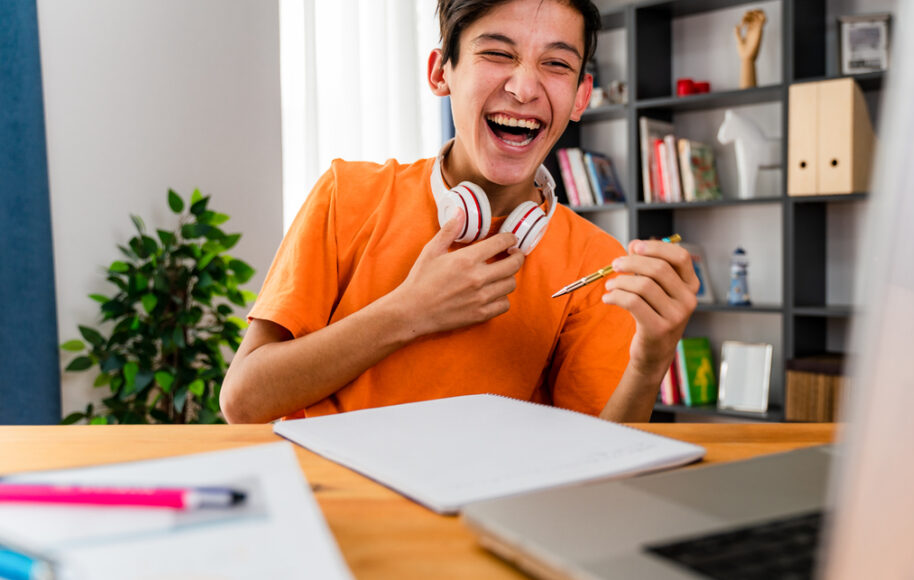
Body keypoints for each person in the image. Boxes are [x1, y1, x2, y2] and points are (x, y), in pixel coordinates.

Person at [219, 0, 699, 424]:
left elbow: (602, 465)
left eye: (555, 63)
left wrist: (649, 362)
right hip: (339, 507)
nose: (525, 87)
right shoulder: (347, 195)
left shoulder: (595, 259)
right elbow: (244, 402)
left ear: (580, 96)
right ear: (439, 72)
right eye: (497, 53)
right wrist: (410, 311)